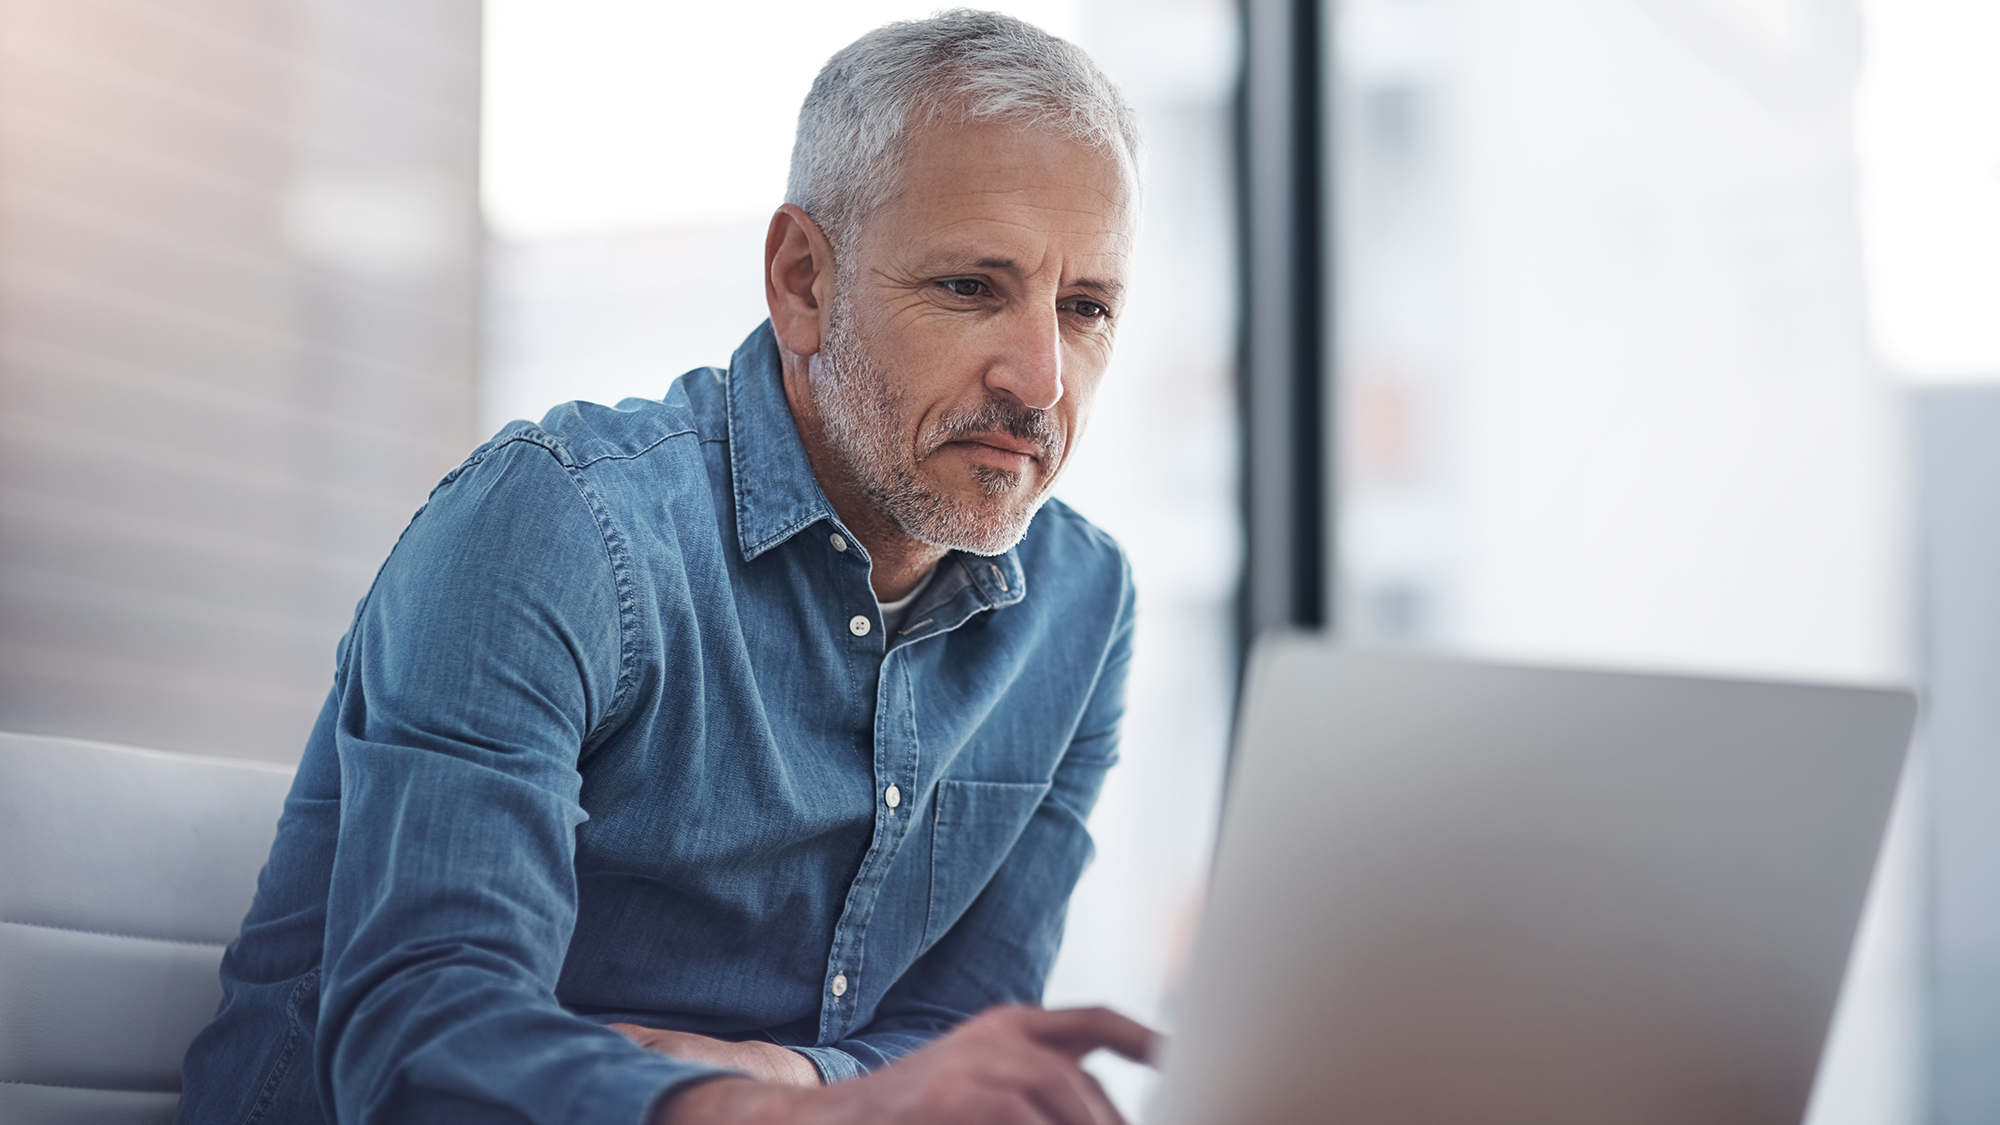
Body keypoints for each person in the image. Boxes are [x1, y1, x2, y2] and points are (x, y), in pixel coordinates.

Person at [175, 10, 1158, 1125]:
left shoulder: (1082, 607)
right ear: (801, 283)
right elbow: (416, 1043)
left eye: (1085, 309)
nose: (1038, 380)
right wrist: (779, 1113)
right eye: (971, 288)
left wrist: (796, 1082)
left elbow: (960, 1038)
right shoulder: (558, 524)